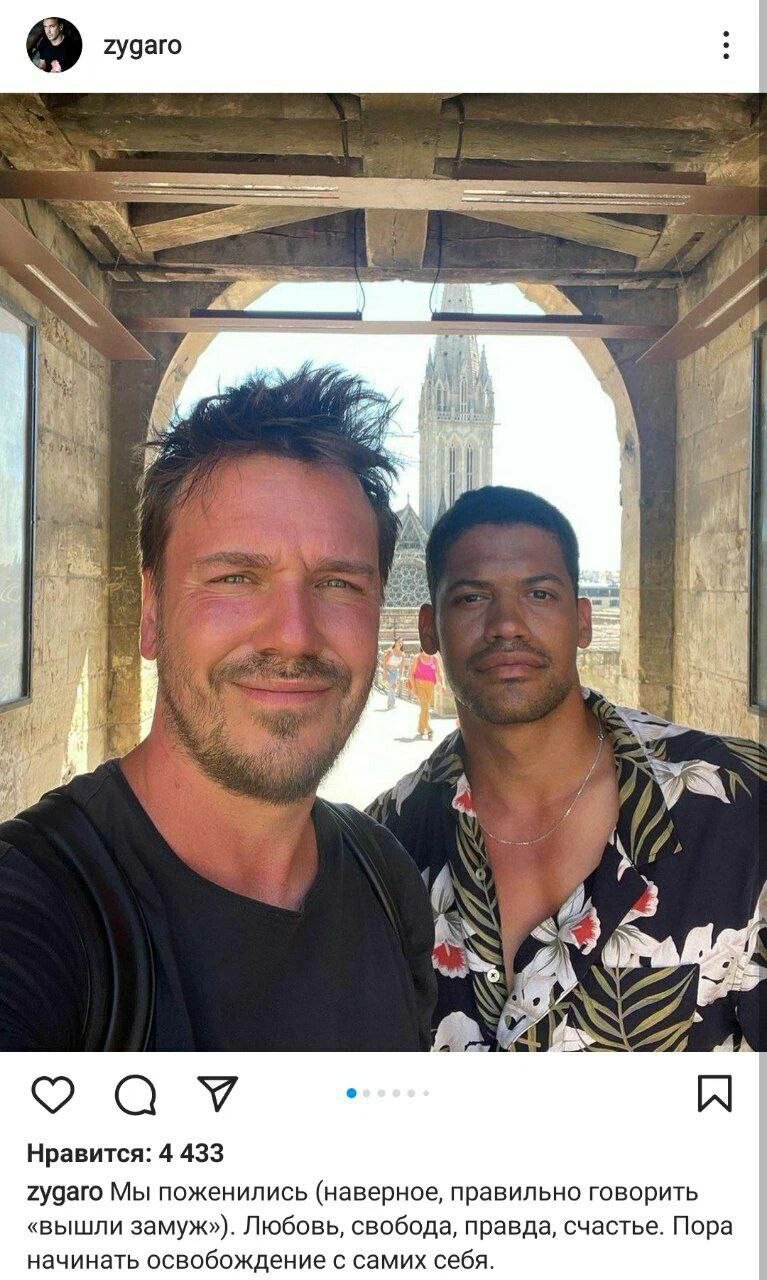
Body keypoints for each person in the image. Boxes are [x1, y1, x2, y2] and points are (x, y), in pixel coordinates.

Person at [0, 365, 435, 1051]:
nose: (293, 635)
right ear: (151, 612)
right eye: (236, 577)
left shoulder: (386, 881)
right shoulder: (33, 909)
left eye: (338, 584)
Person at [369, 486, 766, 1052]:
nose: (507, 624)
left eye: (539, 594)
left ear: (583, 622)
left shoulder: (740, 803)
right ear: (428, 629)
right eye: (472, 598)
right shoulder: (381, 848)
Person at [408, 648, 444, 739]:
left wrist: (443, 684)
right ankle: (429, 729)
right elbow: (411, 673)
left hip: (431, 685)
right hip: (419, 684)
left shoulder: (435, 658)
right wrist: (413, 688)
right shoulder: (417, 657)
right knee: (425, 707)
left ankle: (421, 728)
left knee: (426, 707)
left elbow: (440, 672)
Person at [382, 638, 405, 710]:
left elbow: (402, 666)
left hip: (395, 672)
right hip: (389, 670)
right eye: (399, 642)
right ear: (395, 643)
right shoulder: (390, 651)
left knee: (393, 687)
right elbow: (384, 662)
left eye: (401, 642)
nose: (400, 643)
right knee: (392, 687)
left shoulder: (402, 654)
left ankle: (392, 703)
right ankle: (390, 704)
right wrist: (385, 672)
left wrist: (401, 676)